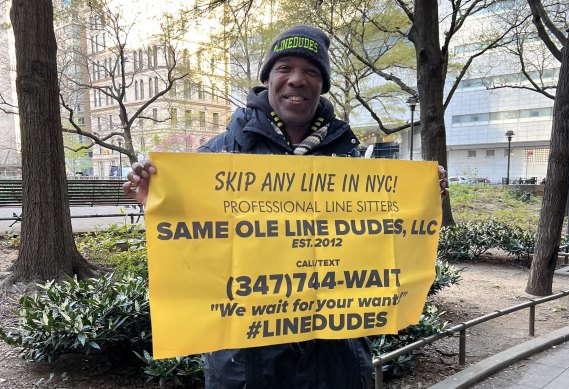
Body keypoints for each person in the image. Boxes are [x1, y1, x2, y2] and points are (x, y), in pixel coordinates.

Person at [124, 25, 448, 388]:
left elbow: (383, 245)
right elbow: (192, 251)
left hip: (335, 362)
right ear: (268, 78)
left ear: (322, 84)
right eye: (285, 68)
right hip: (247, 365)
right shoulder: (217, 155)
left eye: (311, 71)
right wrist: (158, 203)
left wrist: (421, 199)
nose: (297, 79)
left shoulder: (350, 157)